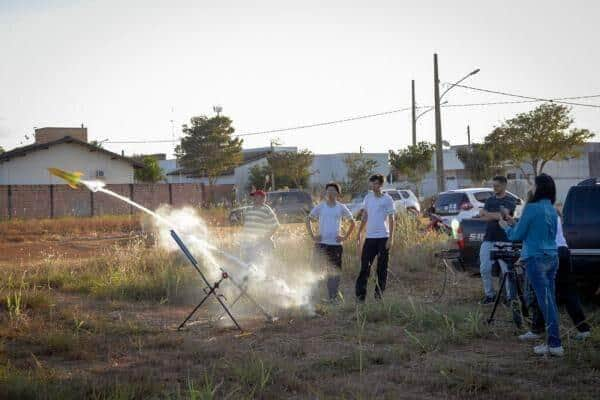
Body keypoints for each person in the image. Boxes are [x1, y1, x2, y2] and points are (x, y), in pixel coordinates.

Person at [500, 174, 563, 356]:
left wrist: (506, 227)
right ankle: (552, 341)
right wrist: (514, 223)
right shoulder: (551, 209)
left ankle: (555, 344)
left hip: (536, 259)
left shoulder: (531, 208)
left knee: (545, 303)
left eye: (533, 185)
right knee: (549, 301)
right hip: (552, 257)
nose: (530, 188)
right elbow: (535, 231)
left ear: (539, 187)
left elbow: (516, 236)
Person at [519, 206, 592, 342]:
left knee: (541, 293)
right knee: (568, 293)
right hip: (563, 251)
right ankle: (584, 329)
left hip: (550, 253)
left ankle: (539, 331)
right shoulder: (552, 211)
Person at [306, 182, 356, 302]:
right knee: (316, 270)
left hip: (335, 245)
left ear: (338, 193)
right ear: (325, 192)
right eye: (328, 190)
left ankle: (332, 297)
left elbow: (353, 222)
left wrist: (344, 237)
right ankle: (313, 297)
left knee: (333, 272)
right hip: (321, 244)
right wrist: (313, 235)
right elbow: (308, 219)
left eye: (333, 191)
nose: (330, 193)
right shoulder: (321, 206)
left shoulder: (341, 207)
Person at [355, 174, 396, 302]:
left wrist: (391, 238)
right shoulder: (368, 198)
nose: (373, 186)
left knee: (382, 268)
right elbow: (365, 216)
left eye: (376, 183)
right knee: (364, 267)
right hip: (370, 237)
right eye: (372, 183)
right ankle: (360, 297)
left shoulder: (387, 199)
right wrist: (359, 232)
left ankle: (379, 297)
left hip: (383, 237)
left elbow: (392, 218)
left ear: (381, 185)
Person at [477, 176, 517, 305]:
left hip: (504, 240)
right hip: (488, 238)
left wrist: (486, 213)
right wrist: (493, 215)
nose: (494, 188)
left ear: (504, 185)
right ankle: (490, 295)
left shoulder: (510, 200)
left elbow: (503, 216)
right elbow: (483, 219)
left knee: (506, 270)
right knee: (484, 268)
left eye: (497, 186)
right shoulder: (489, 200)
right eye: (493, 186)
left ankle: (511, 298)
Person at [240, 189, 279, 264]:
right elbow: (247, 226)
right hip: (249, 243)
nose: (253, 198)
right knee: (248, 264)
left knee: (260, 265)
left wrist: (264, 238)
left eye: (256, 196)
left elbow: (276, 226)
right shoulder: (249, 209)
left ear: (262, 199)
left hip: (262, 244)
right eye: (253, 196)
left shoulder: (266, 209)